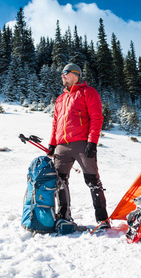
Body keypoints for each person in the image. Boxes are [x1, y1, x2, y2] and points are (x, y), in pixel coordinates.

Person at [48, 63, 110, 229]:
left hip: (82, 143)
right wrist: (52, 144)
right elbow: (55, 123)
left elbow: (97, 118)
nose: (62, 76)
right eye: (62, 73)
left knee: (92, 180)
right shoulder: (60, 99)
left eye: (65, 73)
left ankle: (102, 219)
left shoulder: (88, 92)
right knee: (59, 180)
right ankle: (63, 216)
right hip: (62, 145)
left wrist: (92, 142)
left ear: (75, 74)